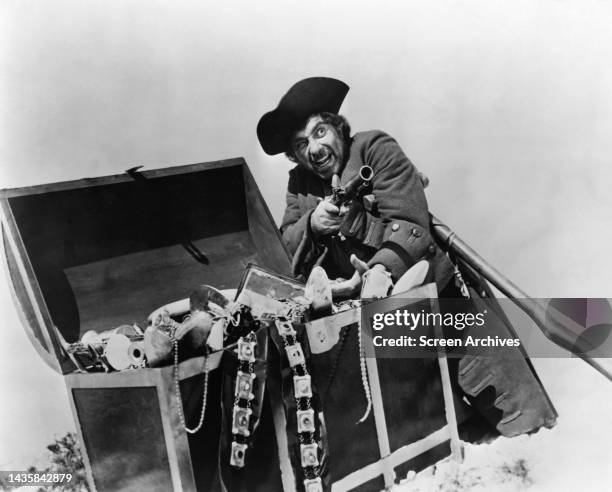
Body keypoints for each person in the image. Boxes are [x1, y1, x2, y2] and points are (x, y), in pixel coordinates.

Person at [256, 77, 456, 298]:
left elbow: (409, 224)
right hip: (349, 308)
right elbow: (284, 250)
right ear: (295, 156)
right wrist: (313, 224)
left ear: (338, 128)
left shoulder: (374, 148)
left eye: (320, 132)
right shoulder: (298, 184)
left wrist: (380, 271)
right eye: (302, 144)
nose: (314, 149)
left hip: (427, 292)